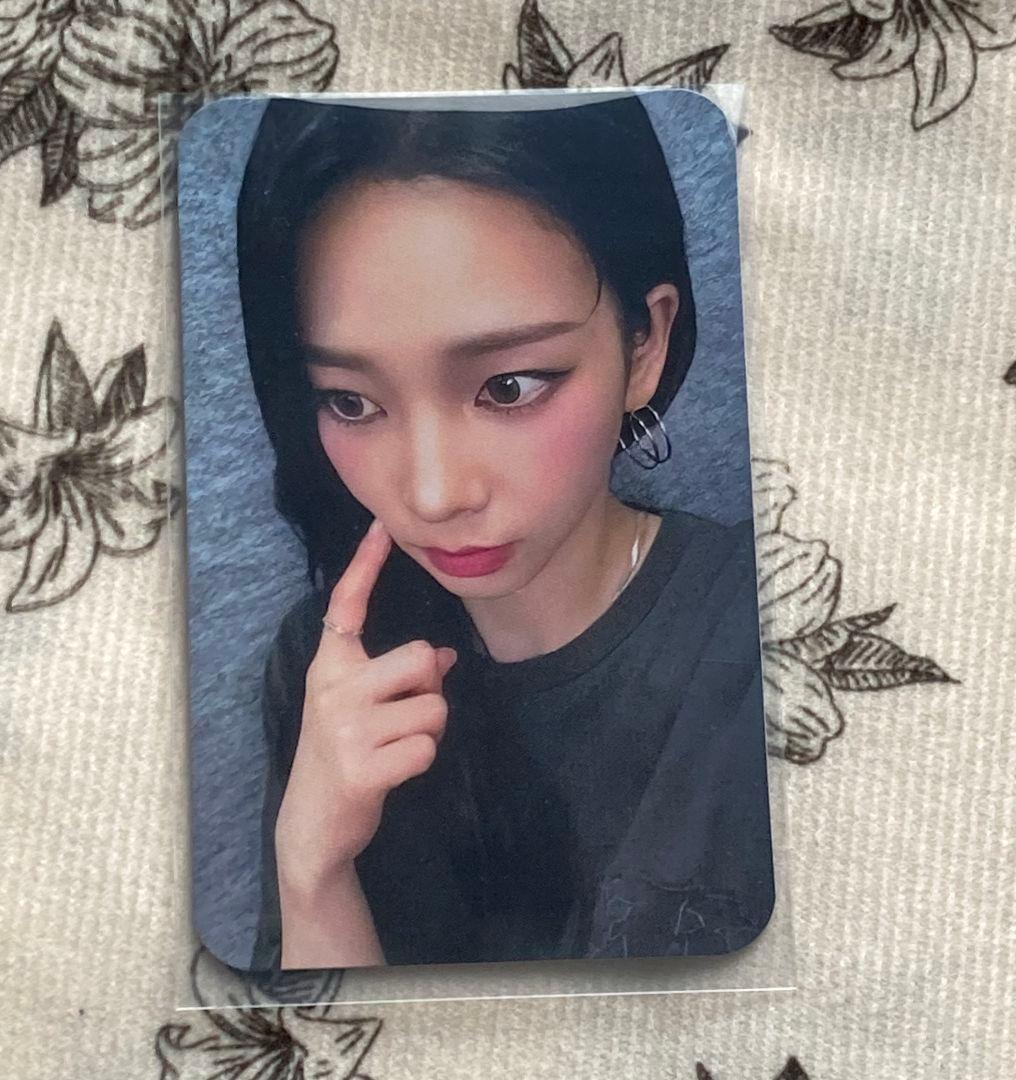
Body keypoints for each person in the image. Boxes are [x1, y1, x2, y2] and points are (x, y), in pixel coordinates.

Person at [235, 92, 775, 972]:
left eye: (509, 387)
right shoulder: (330, 670)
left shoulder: (769, 638)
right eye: (352, 402)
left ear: (644, 344)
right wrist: (313, 872)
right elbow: (325, 1035)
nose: (434, 493)